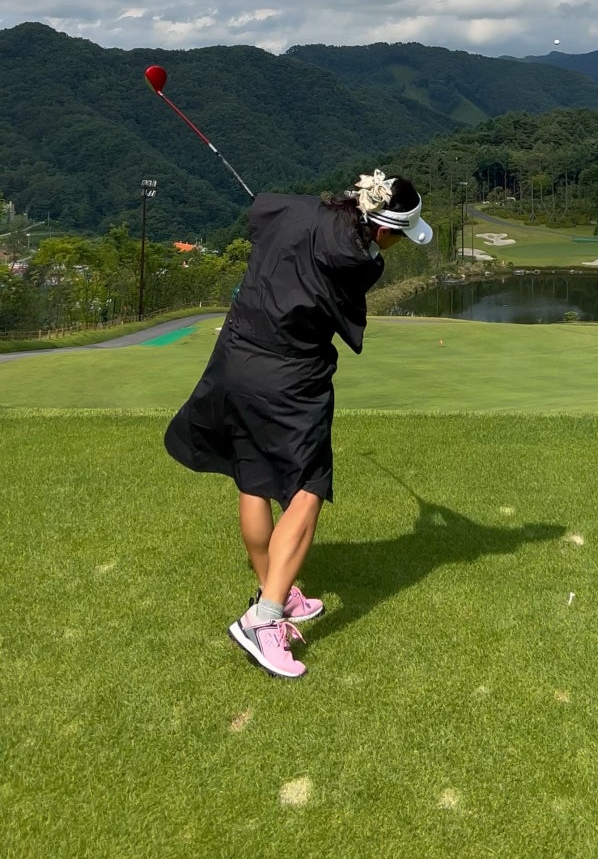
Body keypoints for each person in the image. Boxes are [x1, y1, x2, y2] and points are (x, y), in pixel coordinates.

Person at [164, 169, 432, 680]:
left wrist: (308, 211)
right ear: (382, 230)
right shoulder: (359, 261)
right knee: (309, 487)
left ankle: (277, 592)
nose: (395, 248)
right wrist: (366, 243)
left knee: (254, 476)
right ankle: (263, 621)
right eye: (398, 237)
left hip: (235, 356)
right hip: (290, 379)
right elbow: (358, 266)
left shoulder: (298, 210)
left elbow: (262, 207)